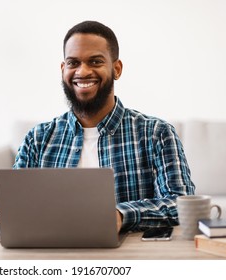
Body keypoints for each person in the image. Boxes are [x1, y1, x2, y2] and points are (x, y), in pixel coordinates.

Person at [13, 20, 195, 232]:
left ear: (116, 69)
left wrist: (121, 215)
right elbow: (9, 211)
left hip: (131, 257)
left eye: (95, 62)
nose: (83, 71)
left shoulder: (156, 133)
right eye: (73, 63)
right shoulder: (38, 139)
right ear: (63, 69)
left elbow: (182, 205)